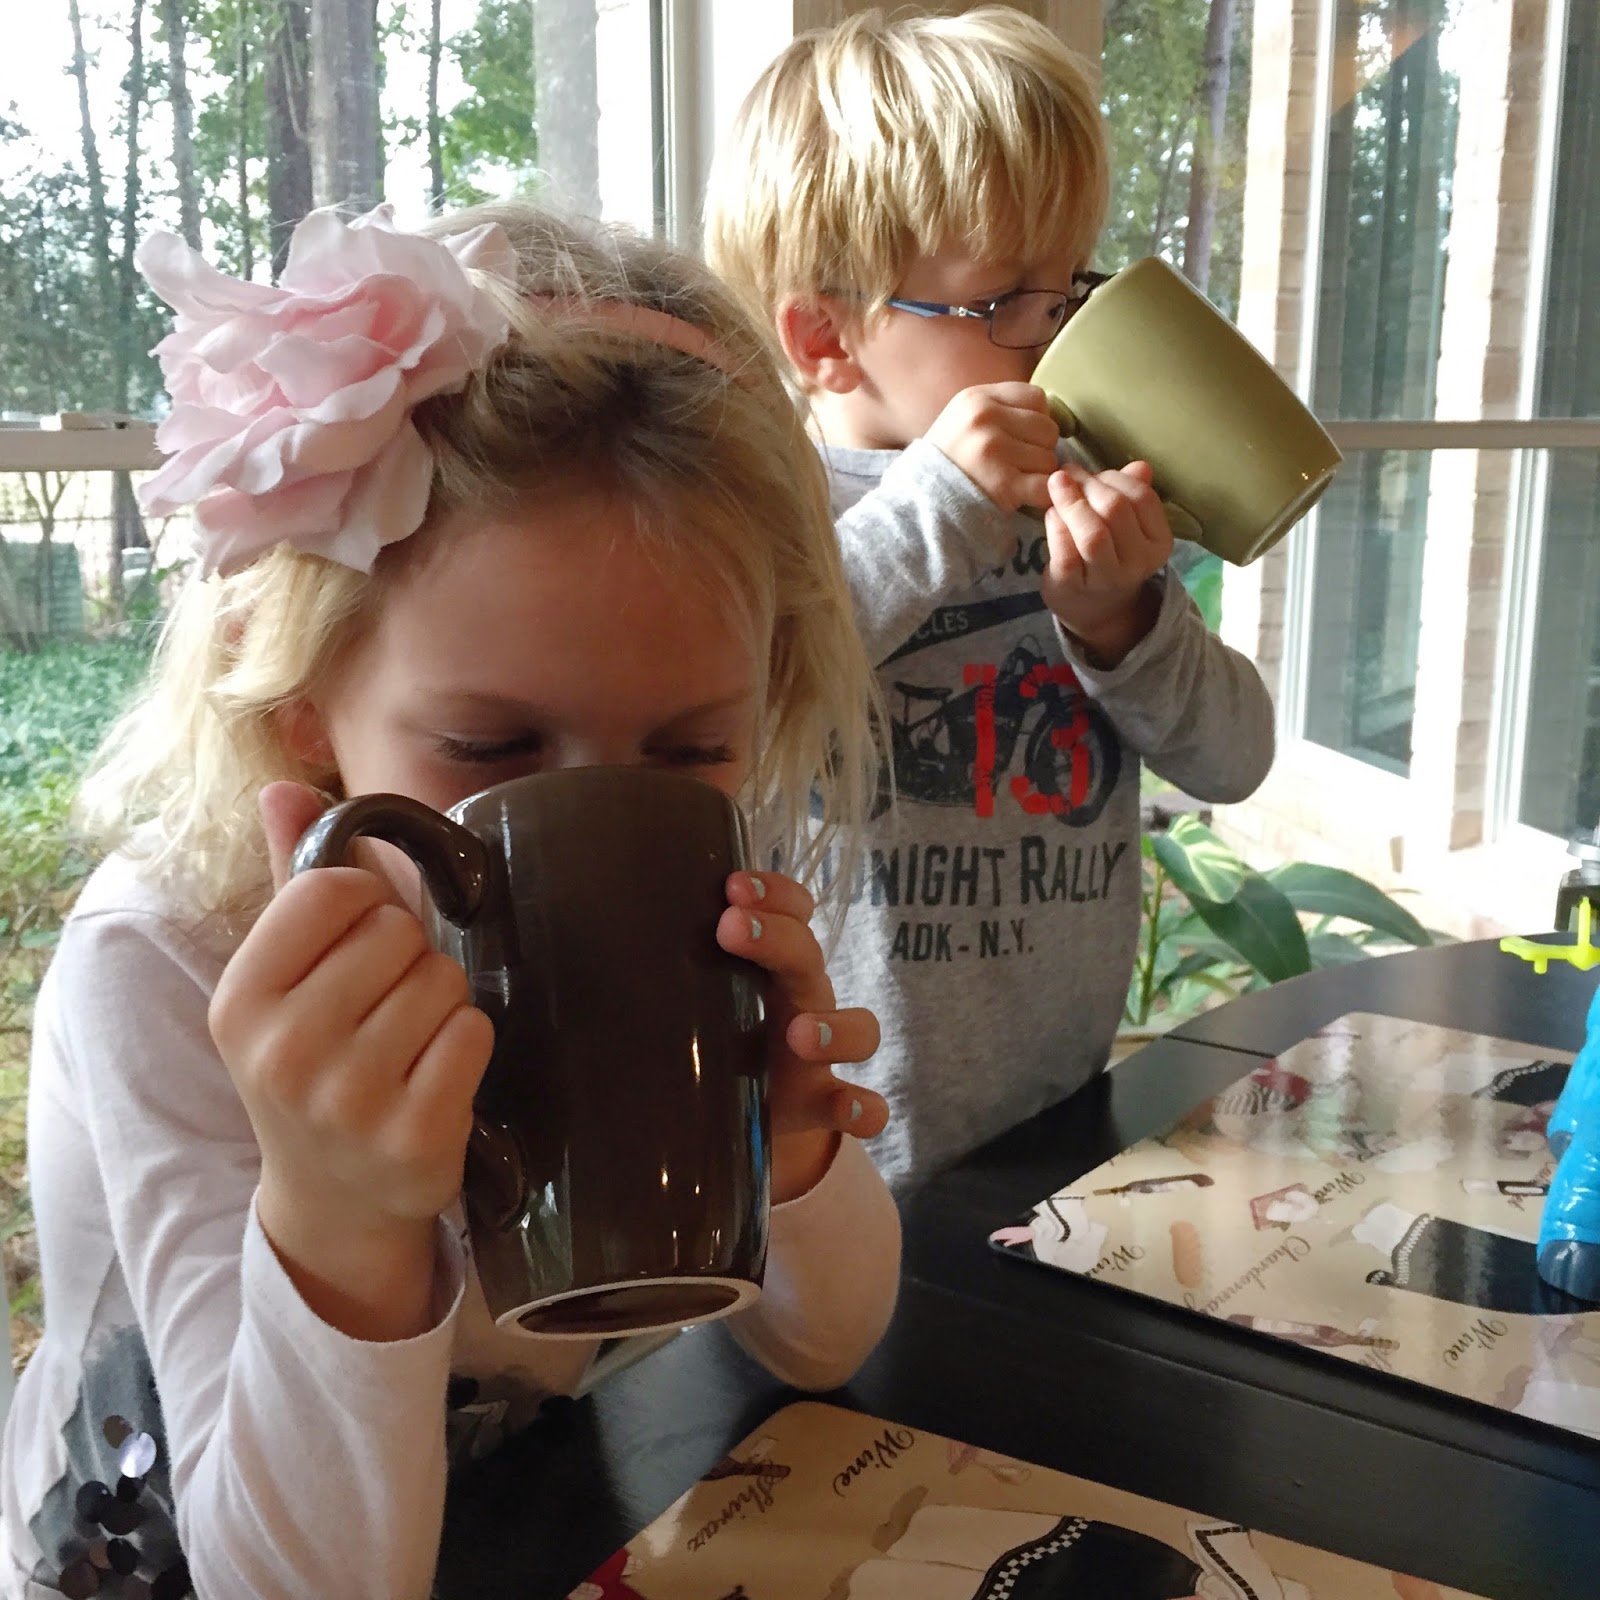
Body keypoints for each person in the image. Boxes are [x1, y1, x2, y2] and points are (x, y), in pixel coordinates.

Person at [0, 202, 902, 1598]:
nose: (601, 811)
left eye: (690, 752)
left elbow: (829, 1342)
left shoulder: (710, 895)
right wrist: (338, 1217)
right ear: (303, 705)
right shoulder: (167, 963)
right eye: (489, 748)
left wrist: (787, 1155)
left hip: (511, 1518)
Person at [704, 5, 1275, 1188]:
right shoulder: (763, 516)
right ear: (823, 337)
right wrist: (937, 508)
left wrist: (1119, 621)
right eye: (1006, 303)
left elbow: (1235, 757)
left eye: (1066, 295)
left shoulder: (1069, 496)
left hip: (1066, 1115)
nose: (1053, 340)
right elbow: (742, 706)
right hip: (840, 1152)